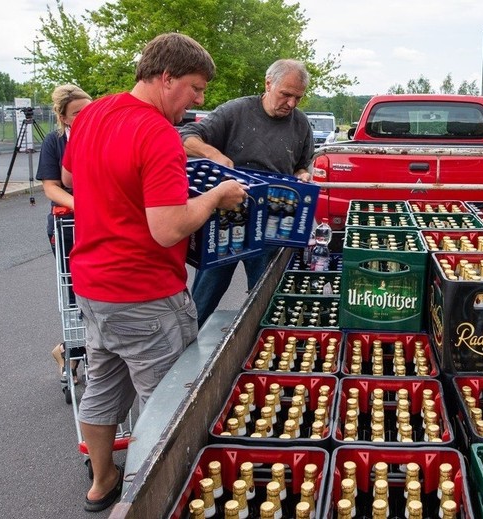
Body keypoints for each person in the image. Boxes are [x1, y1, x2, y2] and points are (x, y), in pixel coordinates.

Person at [61, 33, 247, 512]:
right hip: (144, 293)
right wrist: (213, 197)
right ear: (166, 78)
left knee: (102, 387)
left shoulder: (95, 113)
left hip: (93, 286)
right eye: (195, 87)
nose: (199, 101)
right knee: (169, 405)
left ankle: (101, 484)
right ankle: (158, 501)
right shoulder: (158, 133)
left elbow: (69, 179)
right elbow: (167, 229)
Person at [179, 58, 314, 328]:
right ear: (268, 83)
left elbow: (301, 165)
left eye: (297, 97)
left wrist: (302, 176)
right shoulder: (236, 111)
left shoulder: (300, 124)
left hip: (271, 222)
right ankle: (184, 355)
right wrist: (213, 153)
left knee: (265, 301)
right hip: (225, 219)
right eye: (285, 94)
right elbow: (186, 136)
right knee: (204, 299)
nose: (291, 104)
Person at [34, 84, 92, 381]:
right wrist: (81, 204)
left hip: (99, 222)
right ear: (64, 117)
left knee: (98, 289)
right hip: (68, 222)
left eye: (88, 110)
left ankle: (85, 351)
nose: (86, 116)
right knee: (74, 291)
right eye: (78, 113)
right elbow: (50, 187)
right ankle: (72, 351)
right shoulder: (55, 142)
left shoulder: (100, 135)